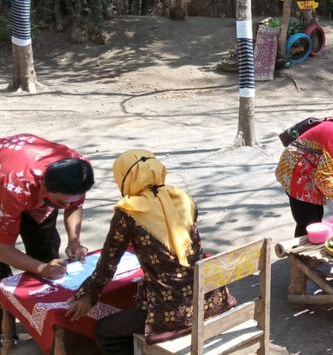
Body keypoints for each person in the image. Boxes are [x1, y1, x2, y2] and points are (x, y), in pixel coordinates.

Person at [66, 150, 234, 353]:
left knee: (104, 330)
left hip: (173, 312)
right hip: (212, 298)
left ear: (125, 179)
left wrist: (88, 295)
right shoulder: (183, 198)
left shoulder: (128, 212)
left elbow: (108, 264)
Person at [0, 134, 93, 282]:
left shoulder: (80, 172)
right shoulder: (15, 188)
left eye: (71, 201)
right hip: (8, 182)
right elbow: (3, 249)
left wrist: (74, 240)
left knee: (46, 250)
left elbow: (75, 205)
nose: (67, 206)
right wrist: (41, 268)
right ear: (43, 190)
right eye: (62, 202)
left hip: (28, 177)